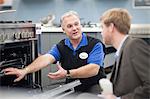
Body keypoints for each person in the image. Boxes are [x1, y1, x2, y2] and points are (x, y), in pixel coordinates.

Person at [3, 11, 106, 93]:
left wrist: (67, 73)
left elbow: (93, 69)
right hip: (72, 87)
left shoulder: (95, 44)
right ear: (63, 30)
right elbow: (46, 58)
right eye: (69, 26)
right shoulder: (61, 46)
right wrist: (25, 70)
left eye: (76, 24)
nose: (74, 28)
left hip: (94, 86)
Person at [100, 8, 150, 99]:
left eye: (102, 27)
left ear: (111, 27)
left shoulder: (134, 45)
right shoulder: (122, 50)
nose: (101, 32)